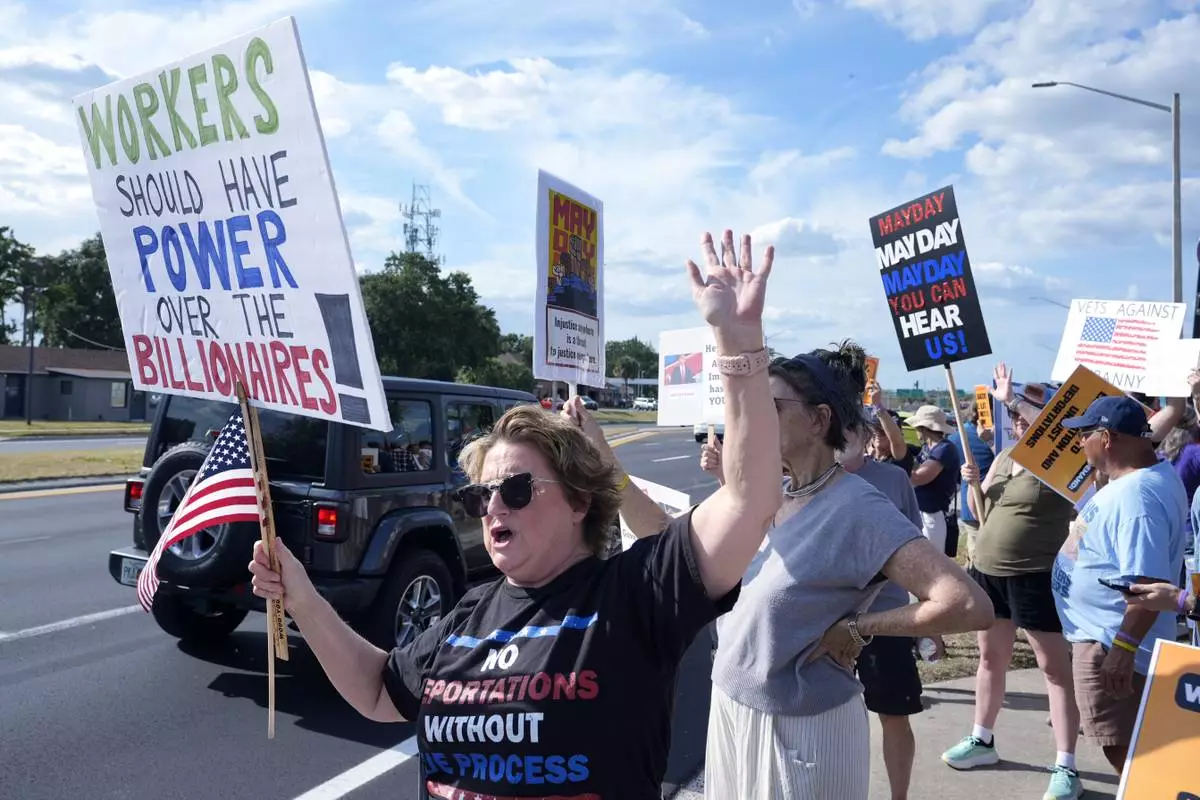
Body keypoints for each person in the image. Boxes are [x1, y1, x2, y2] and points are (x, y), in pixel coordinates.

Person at [248, 229, 786, 798]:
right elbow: (379, 692)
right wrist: (301, 596)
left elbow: (749, 498)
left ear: (580, 500)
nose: (492, 506)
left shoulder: (636, 594)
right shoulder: (465, 618)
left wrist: (738, 340)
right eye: (479, 497)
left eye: (517, 489)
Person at [688, 340, 993, 799]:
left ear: (818, 419)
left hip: (799, 730)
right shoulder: (777, 493)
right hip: (734, 707)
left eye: (770, 405)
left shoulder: (857, 505)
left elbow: (967, 604)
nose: (755, 415)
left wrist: (857, 628)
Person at [939, 367, 1083, 800]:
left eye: (1029, 414)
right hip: (988, 570)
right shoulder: (1007, 455)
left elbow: (1051, 430)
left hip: (1033, 574)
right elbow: (978, 506)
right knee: (989, 659)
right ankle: (982, 740)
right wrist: (970, 486)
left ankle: (1066, 766)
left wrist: (1009, 399)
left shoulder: (1066, 454)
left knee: (1054, 669)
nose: (1020, 422)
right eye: (1018, 417)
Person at [1052, 395, 1188, 775]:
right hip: (1105, 636)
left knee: (1129, 757)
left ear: (1107, 438)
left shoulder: (1137, 497)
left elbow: (1147, 584)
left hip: (1111, 641)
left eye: (1084, 435)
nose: (1079, 443)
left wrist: (1123, 649)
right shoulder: (1135, 479)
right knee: (1128, 750)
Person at [905, 404, 962, 556]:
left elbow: (920, 478)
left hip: (932, 515)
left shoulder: (944, 449)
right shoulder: (928, 448)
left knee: (931, 561)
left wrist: (898, 465)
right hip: (921, 512)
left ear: (923, 428)